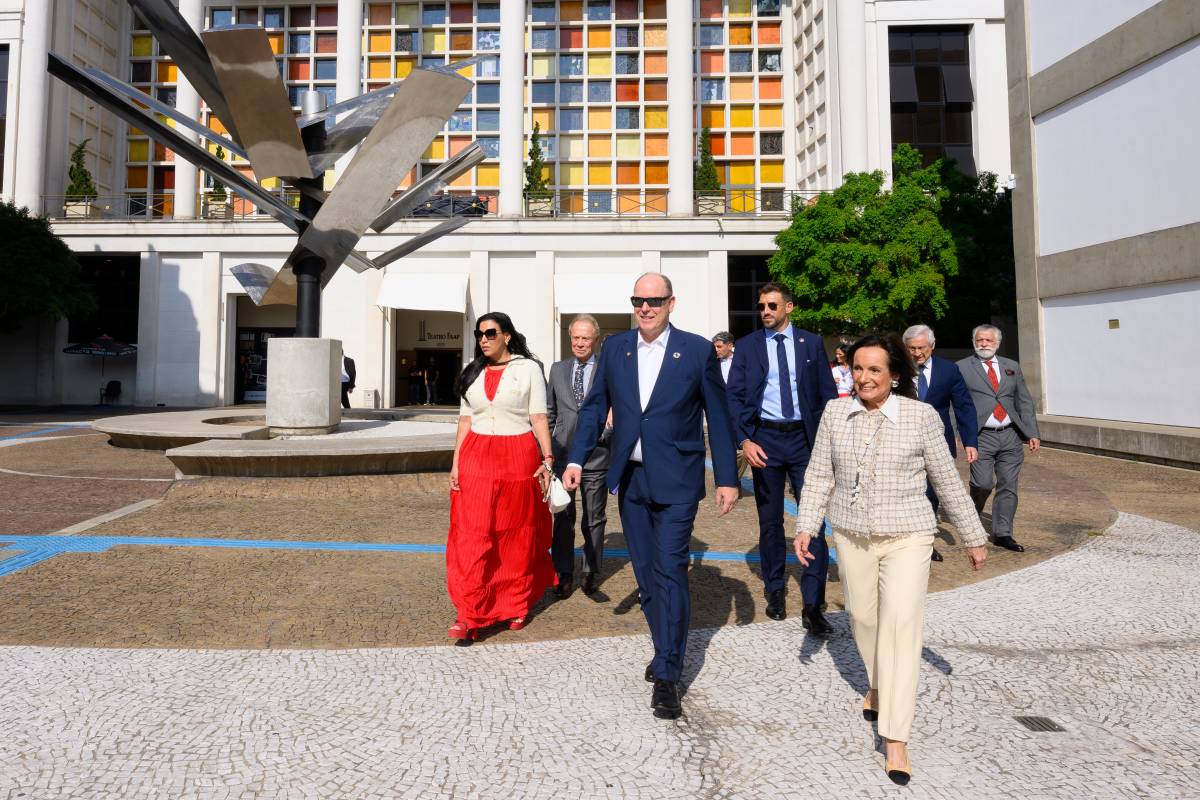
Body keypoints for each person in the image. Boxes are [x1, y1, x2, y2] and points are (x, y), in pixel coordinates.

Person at [794, 333, 988, 785]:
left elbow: (945, 478)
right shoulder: (835, 412)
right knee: (863, 619)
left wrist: (973, 536)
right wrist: (806, 526)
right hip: (852, 535)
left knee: (901, 625)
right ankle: (877, 682)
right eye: (858, 369)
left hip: (909, 535)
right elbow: (820, 473)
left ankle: (895, 736)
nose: (863, 378)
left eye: (874, 370)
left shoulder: (920, 417)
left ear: (895, 374)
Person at [563, 273, 739, 721]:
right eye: (638, 300)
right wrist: (577, 459)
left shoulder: (697, 350)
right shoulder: (617, 350)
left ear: (671, 303)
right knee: (647, 577)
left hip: (678, 479)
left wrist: (727, 477)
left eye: (654, 300)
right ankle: (666, 647)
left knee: (670, 571)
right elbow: (593, 409)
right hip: (632, 480)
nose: (645, 308)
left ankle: (668, 672)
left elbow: (718, 416)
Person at [726, 282, 838, 631]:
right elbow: (734, 397)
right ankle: (774, 589)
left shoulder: (811, 343)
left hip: (805, 442)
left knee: (813, 519)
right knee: (770, 521)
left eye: (772, 306)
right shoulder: (747, 347)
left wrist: (829, 441)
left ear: (789, 307)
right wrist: (746, 440)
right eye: (761, 306)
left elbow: (826, 394)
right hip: (766, 440)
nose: (765, 312)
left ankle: (813, 604)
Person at [446, 312, 556, 643]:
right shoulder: (473, 371)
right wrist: (455, 463)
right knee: (473, 535)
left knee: (516, 535)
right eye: (480, 334)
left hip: (518, 456)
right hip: (476, 457)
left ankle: (515, 603)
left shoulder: (528, 369)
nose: (484, 339)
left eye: (490, 333)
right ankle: (469, 613)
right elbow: (464, 421)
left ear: (506, 335)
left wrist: (548, 460)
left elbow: (538, 416)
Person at [956, 325, 1041, 552]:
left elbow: (1024, 400)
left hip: (1011, 434)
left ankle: (1003, 533)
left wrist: (1032, 432)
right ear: (974, 341)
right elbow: (956, 404)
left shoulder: (1011, 366)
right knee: (982, 483)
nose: (984, 344)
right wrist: (959, 434)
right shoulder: (962, 367)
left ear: (997, 343)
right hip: (981, 435)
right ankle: (971, 516)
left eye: (988, 340)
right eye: (980, 340)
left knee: (1008, 485)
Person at [546, 314, 611, 598]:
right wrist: (547, 452)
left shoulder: (607, 370)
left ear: (595, 340)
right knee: (562, 516)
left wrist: (609, 429)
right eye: (576, 337)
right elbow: (550, 411)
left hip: (597, 455)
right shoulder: (558, 369)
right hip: (562, 455)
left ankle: (591, 573)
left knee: (594, 518)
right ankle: (564, 572)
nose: (580, 343)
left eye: (586, 338)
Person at [902, 324, 978, 563]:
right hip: (902, 441)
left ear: (932, 346)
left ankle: (926, 541)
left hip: (937, 441)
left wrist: (970, 441)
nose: (917, 353)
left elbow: (963, 405)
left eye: (921, 348)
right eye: (912, 348)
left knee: (932, 494)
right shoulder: (896, 370)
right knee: (907, 492)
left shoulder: (949, 370)